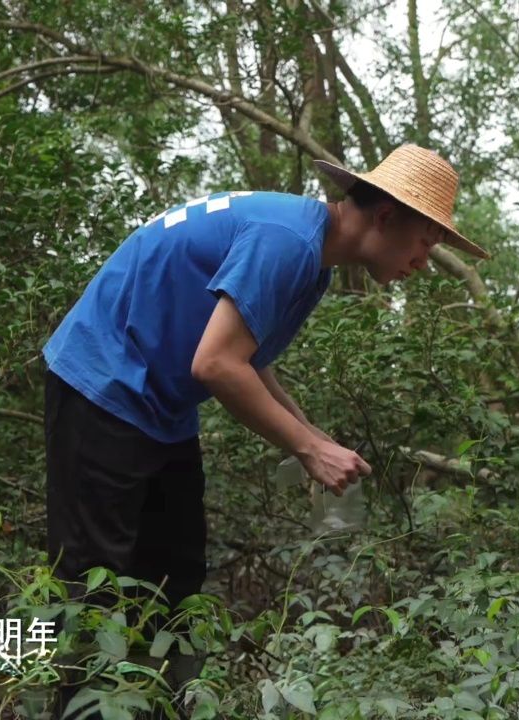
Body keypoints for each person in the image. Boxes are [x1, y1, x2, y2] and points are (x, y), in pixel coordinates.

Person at [41, 145, 486, 710]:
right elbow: (216, 365)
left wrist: (314, 436)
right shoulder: (287, 240)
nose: (424, 262)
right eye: (426, 243)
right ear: (386, 216)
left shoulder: (310, 257)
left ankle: (161, 705)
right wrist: (306, 449)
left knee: (175, 578)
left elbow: (243, 354)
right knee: (96, 581)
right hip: (103, 381)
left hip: (162, 406)